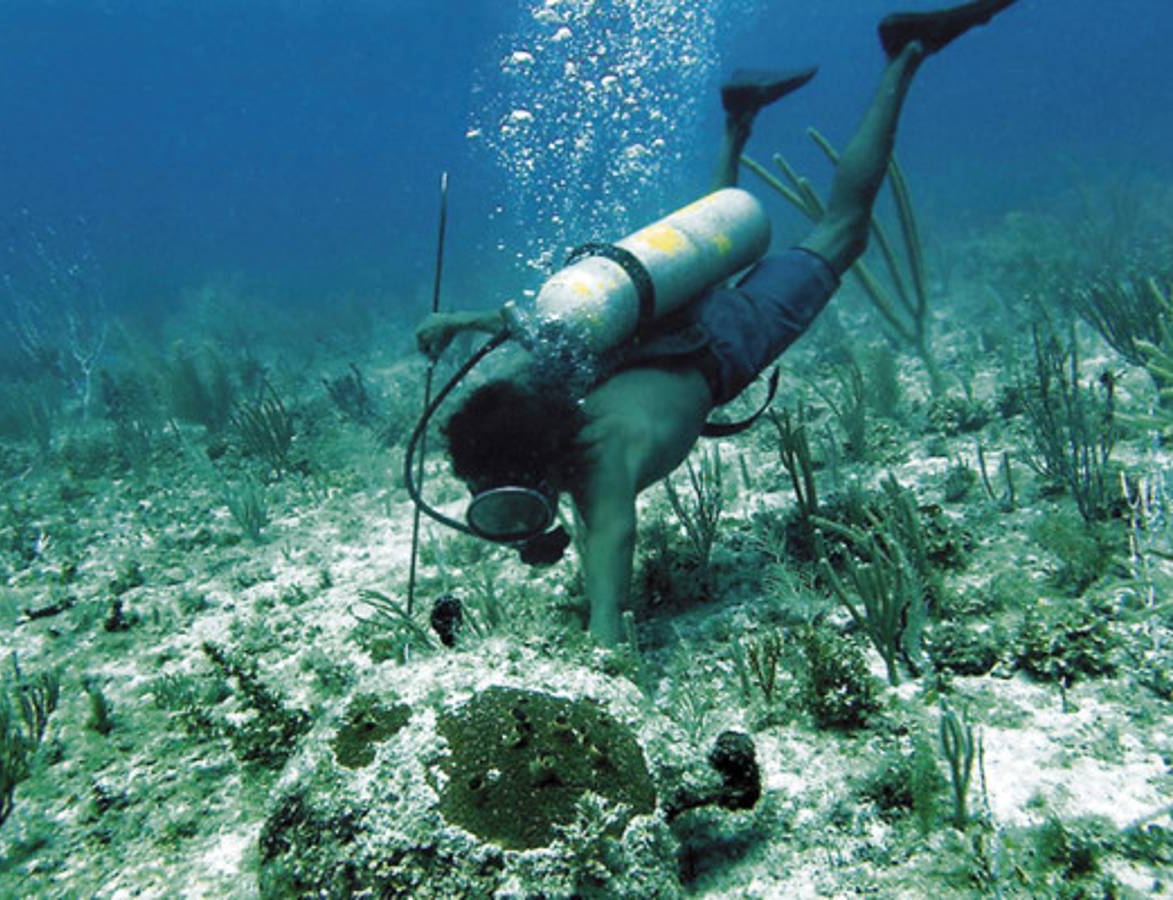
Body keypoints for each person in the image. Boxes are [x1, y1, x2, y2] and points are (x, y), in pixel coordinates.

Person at [415, 0, 1018, 644]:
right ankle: (740, 119)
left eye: (501, 504)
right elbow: (529, 324)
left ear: (535, 469)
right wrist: (460, 320)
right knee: (708, 256)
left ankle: (907, 54)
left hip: (721, 346)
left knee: (842, 234)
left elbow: (613, 542)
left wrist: (606, 647)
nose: (507, 518)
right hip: (651, 326)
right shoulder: (550, 390)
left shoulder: (598, 468)